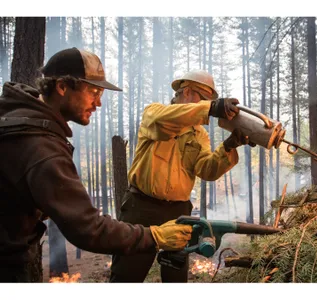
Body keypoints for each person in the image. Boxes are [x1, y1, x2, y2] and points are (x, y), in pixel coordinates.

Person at [0, 47, 192, 282]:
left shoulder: (17, 116)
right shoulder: (42, 147)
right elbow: (88, 229)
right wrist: (155, 236)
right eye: (93, 91)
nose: (98, 103)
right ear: (62, 87)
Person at [110, 70, 255, 283]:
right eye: (204, 100)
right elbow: (168, 120)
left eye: (210, 102)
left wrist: (229, 146)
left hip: (178, 213)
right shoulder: (154, 114)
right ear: (186, 92)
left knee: (176, 279)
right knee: (127, 277)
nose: (207, 107)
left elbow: (207, 169)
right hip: (141, 210)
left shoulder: (199, 134)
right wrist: (211, 109)